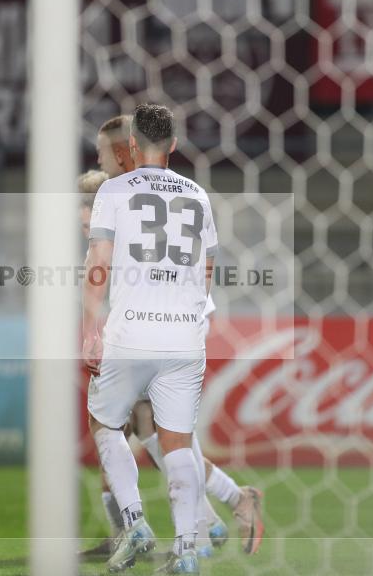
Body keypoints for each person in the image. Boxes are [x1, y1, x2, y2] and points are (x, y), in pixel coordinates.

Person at [83, 115, 264, 560]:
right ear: (176, 142)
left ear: (127, 145)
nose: (101, 160)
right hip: (184, 330)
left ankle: (140, 524)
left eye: (105, 152)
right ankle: (194, 539)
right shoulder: (197, 195)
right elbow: (207, 271)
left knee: (112, 423)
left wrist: (91, 327)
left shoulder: (116, 192)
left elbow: (98, 263)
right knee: (167, 435)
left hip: (135, 328)